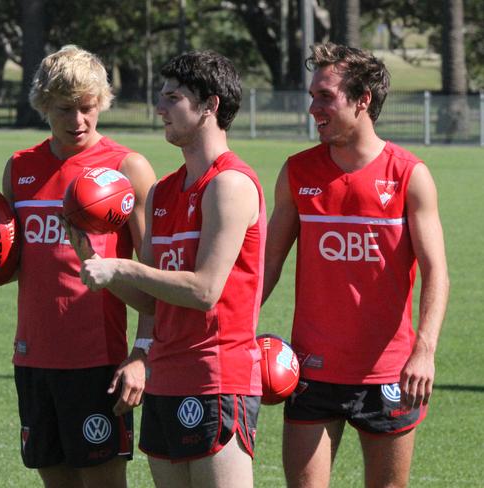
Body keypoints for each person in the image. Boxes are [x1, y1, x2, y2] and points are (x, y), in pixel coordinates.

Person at [0, 45, 156, 488]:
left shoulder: (127, 168)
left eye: (88, 108)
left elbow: (156, 276)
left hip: (99, 360)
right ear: (43, 105)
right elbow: (20, 266)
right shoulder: (20, 168)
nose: (78, 121)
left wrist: (142, 355)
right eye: (65, 109)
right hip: (34, 356)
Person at [68, 50, 266, 488]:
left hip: (217, 377)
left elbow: (204, 290)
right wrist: (95, 262)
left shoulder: (229, 184)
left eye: (173, 97)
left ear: (210, 106)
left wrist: (123, 267)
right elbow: (152, 301)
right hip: (165, 377)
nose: (159, 108)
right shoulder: (161, 193)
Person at [262, 42, 450, 487]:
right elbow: (266, 263)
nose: (312, 107)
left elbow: (436, 271)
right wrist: (234, 331)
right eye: (312, 95)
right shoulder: (296, 173)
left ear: (362, 99)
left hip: (389, 371)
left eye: (325, 96)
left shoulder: (409, 174)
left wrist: (424, 350)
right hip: (310, 368)